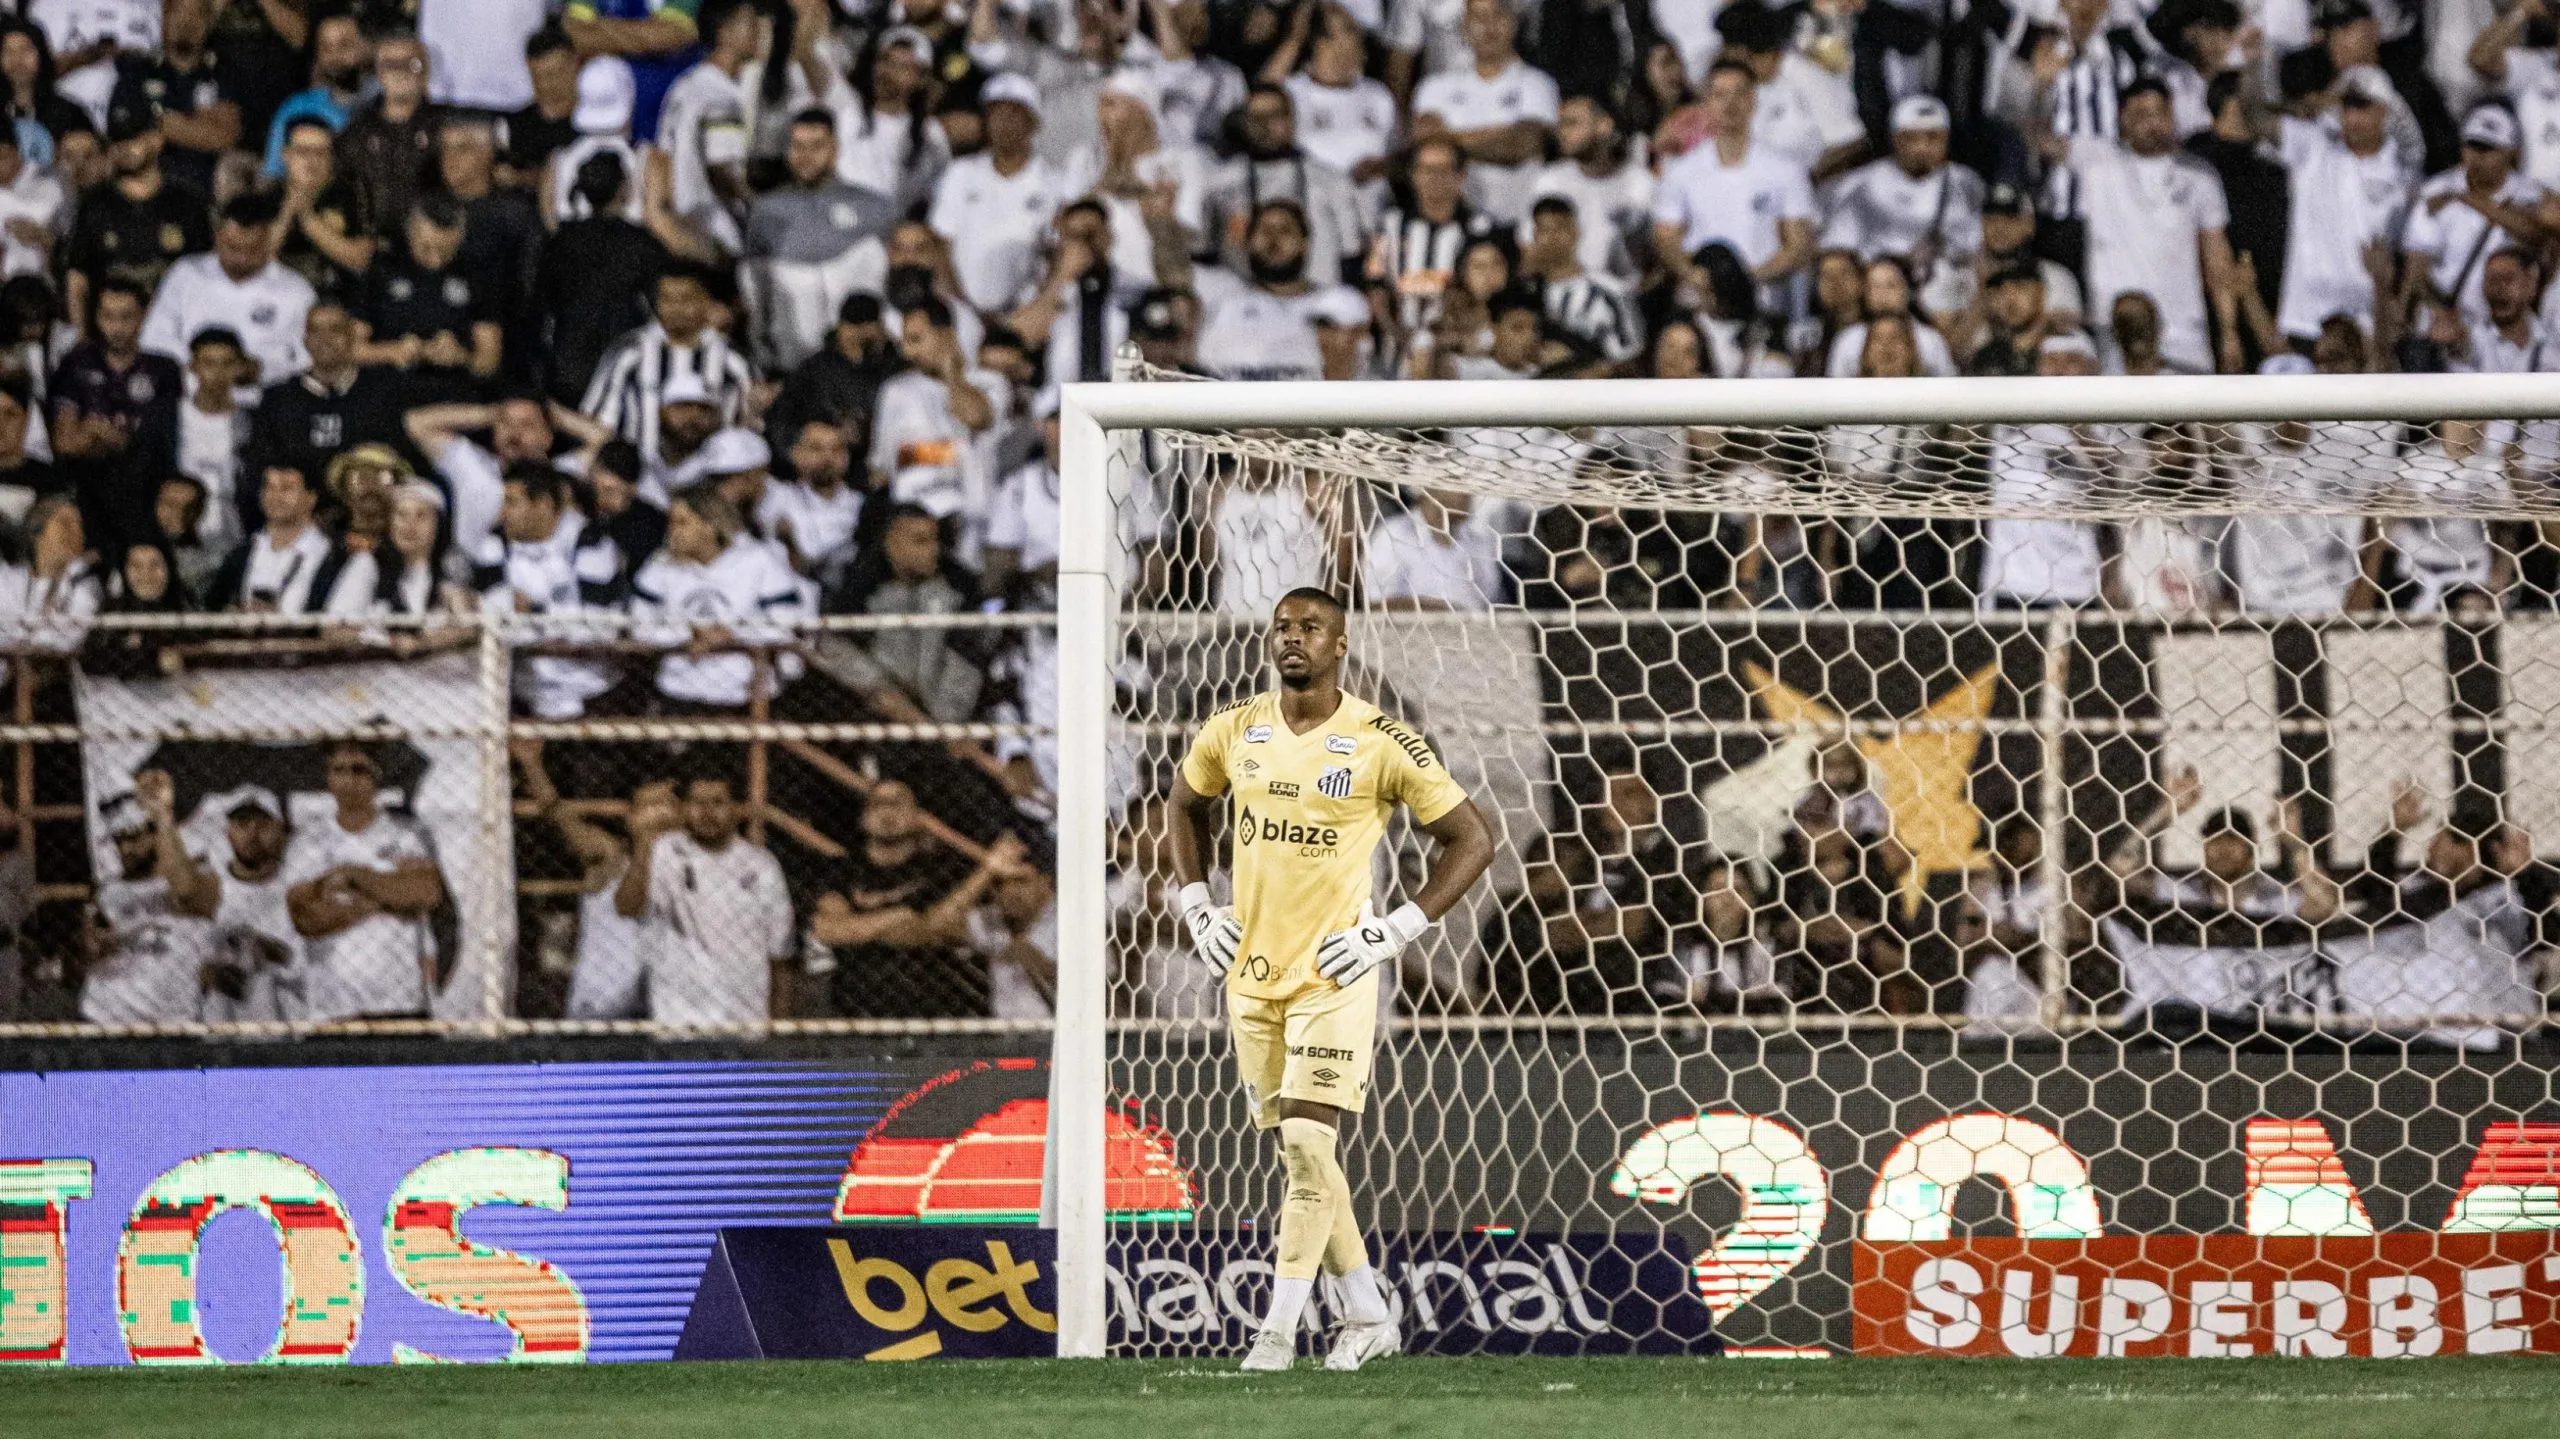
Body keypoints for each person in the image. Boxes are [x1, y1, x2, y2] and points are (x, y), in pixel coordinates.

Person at [1168, 587, 1495, 1370]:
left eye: (1311, 628)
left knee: (1312, 1138)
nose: (1294, 639)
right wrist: (1194, 903)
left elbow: (1474, 837)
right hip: (1248, 976)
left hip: (1335, 975)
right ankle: (1368, 1312)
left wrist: (1396, 929)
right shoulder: (1235, 728)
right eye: (1284, 627)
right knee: (1302, 1155)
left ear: (1340, 645)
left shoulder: (1382, 740)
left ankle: (1275, 1333)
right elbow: (1183, 805)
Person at [2046, 77, 2244, 372]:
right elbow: (2040, 139)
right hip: (2116, 335)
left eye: (2159, 113)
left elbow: (2217, 261)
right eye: (2140, 115)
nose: (2152, 124)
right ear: (2123, 120)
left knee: (2188, 417)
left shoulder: (2200, 177)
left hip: (2182, 334)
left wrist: (2229, 332)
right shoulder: (2097, 163)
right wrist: (2040, 88)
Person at [616, 768, 796, 1026]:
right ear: (683, 808)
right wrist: (644, 843)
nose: (707, 812)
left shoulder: (762, 866)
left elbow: (780, 958)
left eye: (718, 802)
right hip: (678, 1023)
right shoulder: (665, 851)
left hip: (744, 1023)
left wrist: (779, 1029)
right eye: (698, 802)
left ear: (736, 808)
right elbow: (627, 907)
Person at [283, 739, 447, 1022]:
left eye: (359, 770)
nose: (348, 779)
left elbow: (426, 892)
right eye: (339, 770)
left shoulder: (406, 834)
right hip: (332, 1005)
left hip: (399, 1001)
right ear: (328, 778)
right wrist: (385, 898)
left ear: (375, 777)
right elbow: (305, 918)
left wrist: (351, 875)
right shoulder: (307, 841)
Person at [517, 738, 671, 1021]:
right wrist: (533, 765)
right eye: (647, 807)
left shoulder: (688, 865)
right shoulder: (612, 856)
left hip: (658, 1011)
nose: (655, 816)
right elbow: (559, 816)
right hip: (598, 1009)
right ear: (632, 816)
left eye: (664, 806)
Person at [628, 483, 810, 711]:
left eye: (682, 523)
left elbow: (788, 625)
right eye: (671, 523)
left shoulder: (759, 560)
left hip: (744, 695)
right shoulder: (659, 565)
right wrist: (690, 634)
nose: (672, 532)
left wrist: (731, 636)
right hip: (679, 691)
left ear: (710, 527)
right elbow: (639, 627)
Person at [742, 107, 893, 369]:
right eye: (797, 146)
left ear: (834, 149)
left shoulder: (871, 206)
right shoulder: (766, 211)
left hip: (861, 357)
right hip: (793, 357)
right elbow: (755, 290)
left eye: (816, 146)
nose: (805, 156)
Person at [927, 71, 1086, 318]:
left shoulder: (1055, 184)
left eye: (1014, 115)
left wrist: (1034, 311)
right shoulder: (960, 174)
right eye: (995, 115)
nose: (1003, 124)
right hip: (962, 312)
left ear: (1034, 123)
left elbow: (1058, 255)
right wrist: (962, 310)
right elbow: (939, 246)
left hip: (1027, 317)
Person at [1650, 60, 1816, 296]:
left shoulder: (1786, 170)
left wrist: (1746, 280)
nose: (1730, 103)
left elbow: (1798, 242)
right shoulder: (1681, 170)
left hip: (1763, 294)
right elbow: (1666, 238)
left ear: (1753, 101)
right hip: (1701, 297)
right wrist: (1695, 275)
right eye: (1720, 94)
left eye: (1740, 93)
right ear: (1707, 102)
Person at [139, 189, 315, 385]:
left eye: (252, 249)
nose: (242, 258)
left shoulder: (296, 291)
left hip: (264, 400)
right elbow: (153, 338)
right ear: (218, 237)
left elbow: (307, 357)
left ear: (268, 240)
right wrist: (205, 364)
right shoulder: (185, 275)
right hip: (190, 398)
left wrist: (263, 368)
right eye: (233, 248)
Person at [582, 262, 754, 454]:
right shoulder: (628, 353)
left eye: (686, 299)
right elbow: (598, 421)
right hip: (639, 475)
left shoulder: (733, 360)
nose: (676, 308)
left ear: (707, 302)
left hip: (712, 475)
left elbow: (748, 423)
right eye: (667, 299)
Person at [79, 781, 213, 1024]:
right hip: (109, 1016)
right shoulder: (109, 891)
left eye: (132, 838)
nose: (126, 849)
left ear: (154, 833)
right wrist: (94, 944)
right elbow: (90, 946)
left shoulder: (195, 877)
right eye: (119, 841)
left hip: (172, 1018)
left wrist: (162, 818)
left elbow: (185, 890)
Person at [202, 462, 361, 615]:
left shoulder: (335, 558)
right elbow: (212, 609)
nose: (276, 496)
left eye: (286, 488)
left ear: (311, 498)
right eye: (269, 487)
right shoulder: (241, 555)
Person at [259, 8, 368, 173]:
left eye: (344, 45)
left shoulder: (388, 99)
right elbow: (274, 173)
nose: (335, 56)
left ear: (365, 46)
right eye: (326, 48)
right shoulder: (297, 107)